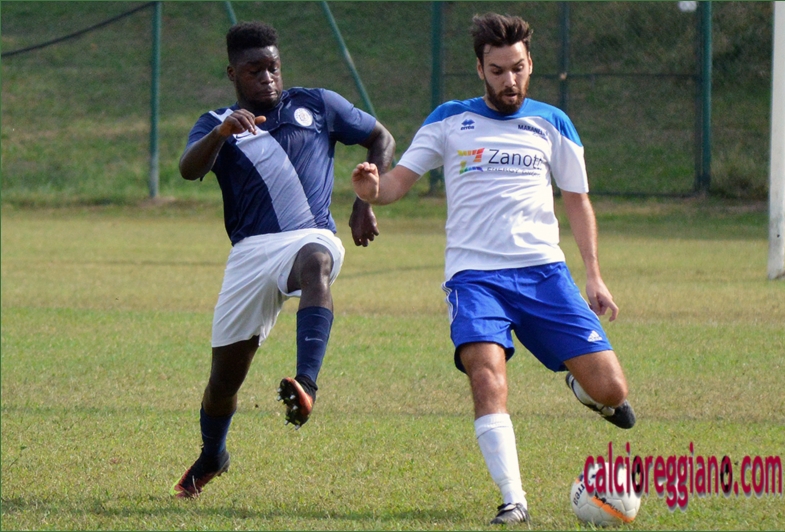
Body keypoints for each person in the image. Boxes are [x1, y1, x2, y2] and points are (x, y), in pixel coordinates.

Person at [352, 13, 635, 526]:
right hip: (475, 278)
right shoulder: (449, 120)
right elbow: (395, 185)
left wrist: (594, 274)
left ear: (531, 65)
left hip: (544, 274)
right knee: (486, 376)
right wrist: (371, 189)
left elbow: (577, 201)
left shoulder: (553, 123)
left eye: (518, 69)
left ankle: (583, 389)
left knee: (612, 390)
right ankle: (513, 499)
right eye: (499, 71)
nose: (510, 81)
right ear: (480, 69)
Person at [172, 21, 395, 499]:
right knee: (223, 384)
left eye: (273, 67)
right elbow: (189, 169)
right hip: (250, 254)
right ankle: (213, 454)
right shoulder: (217, 121)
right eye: (254, 70)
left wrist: (366, 201)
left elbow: (382, 137)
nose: (267, 77)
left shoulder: (318, 104)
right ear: (233, 73)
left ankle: (307, 384)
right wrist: (222, 134)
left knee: (317, 262)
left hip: (311, 235)